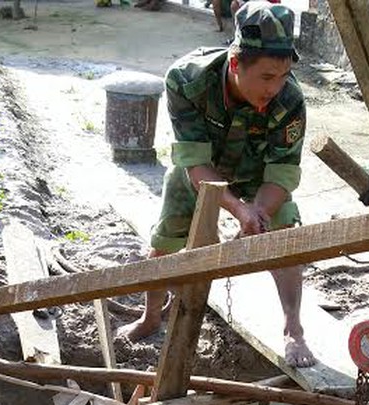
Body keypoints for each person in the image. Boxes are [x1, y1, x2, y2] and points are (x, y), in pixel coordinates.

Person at [119, 0, 314, 368]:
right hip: (203, 168)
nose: (276, 87)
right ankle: (151, 316)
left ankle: (294, 328)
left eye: (284, 75)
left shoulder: (290, 100)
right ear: (236, 63)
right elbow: (193, 162)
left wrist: (257, 212)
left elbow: (282, 173)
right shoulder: (187, 80)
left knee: (285, 233)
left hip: (257, 170)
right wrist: (237, 207)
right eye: (267, 77)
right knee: (166, 239)